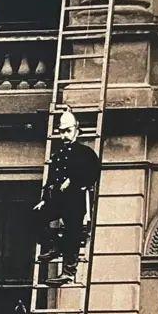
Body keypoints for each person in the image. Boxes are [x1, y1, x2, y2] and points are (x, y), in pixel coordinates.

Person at [34, 108, 100, 286]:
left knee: (72, 233)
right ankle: (55, 246)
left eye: (68, 131)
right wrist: (43, 199)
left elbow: (93, 173)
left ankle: (68, 272)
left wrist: (73, 180)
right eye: (62, 131)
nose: (64, 135)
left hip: (75, 200)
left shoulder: (85, 153)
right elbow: (50, 179)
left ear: (76, 131)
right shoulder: (58, 155)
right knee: (36, 216)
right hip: (57, 199)